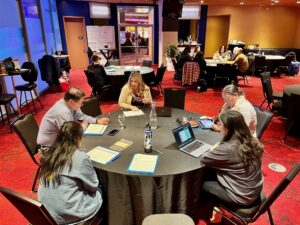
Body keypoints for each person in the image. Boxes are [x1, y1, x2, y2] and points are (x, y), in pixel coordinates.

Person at [199, 110, 264, 223]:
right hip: (254, 190)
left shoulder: (228, 148)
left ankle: (203, 213)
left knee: (201, 183)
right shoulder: (251, 139)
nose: (218, 126)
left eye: (220, 124)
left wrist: (216, 145)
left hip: (241, 196)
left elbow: (204, 158)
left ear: (228, 128)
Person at [38, 121, 103, 224]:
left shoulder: (49, 153)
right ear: (77, 139)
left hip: (47, 213)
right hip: (69, 215)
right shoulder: (80, 157)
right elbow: (93, 186)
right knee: (100, 189)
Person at [37, 87, 109, 149]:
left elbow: (82, 116)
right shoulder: (62, 112)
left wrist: (97, 121)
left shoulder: (70, 103)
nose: (82, 105)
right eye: (81, 103)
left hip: (62, 140)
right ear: (71, 101)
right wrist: (83, 127)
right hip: (51, 147)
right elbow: (71, 135)